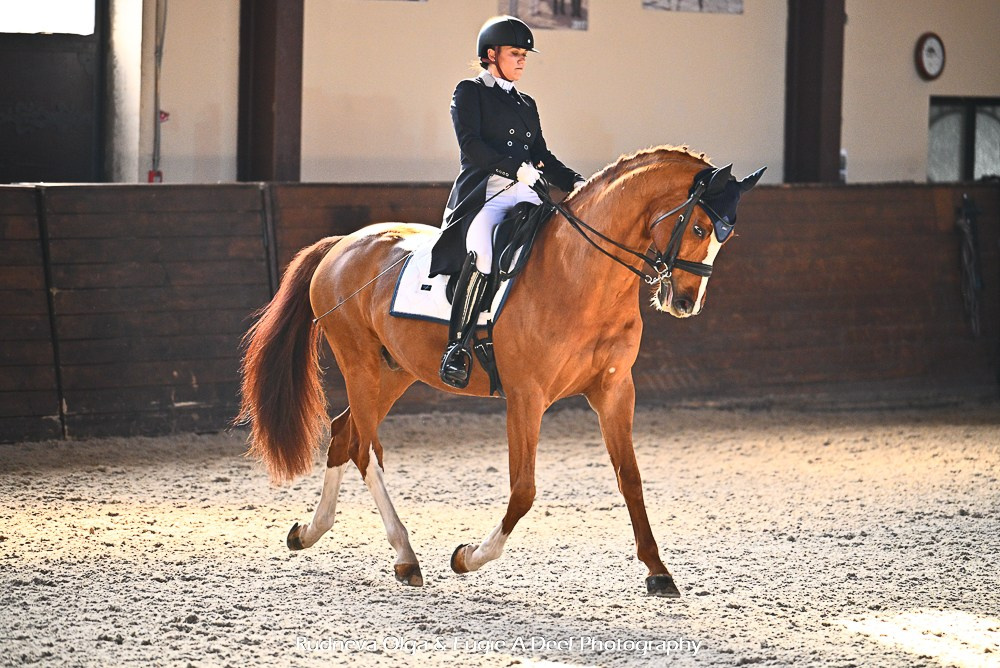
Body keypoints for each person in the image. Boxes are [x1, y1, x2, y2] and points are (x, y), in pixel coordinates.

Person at [431, 15, 585, 389]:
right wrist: (517, 168)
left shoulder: (527, 102)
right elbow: (472, 148)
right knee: (483, 254)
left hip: (528, 193)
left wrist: (577, 180)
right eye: (515, 53)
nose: (521, 61)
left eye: (524, 55)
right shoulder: (469, 92)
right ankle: (457, 347)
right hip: (487, 195)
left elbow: (542, 154)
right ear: (491, 54)